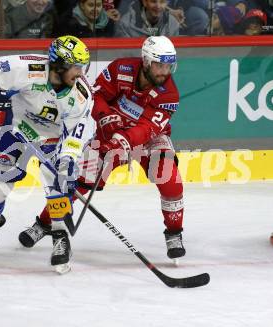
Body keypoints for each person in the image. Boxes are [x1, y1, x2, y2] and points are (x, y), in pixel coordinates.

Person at [20, 36, 188, 261]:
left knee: (169, 177)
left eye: (169, 66)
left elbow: (147, 128)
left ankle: (174, 233)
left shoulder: (169, 93)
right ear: (146, 61)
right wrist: (105, 116)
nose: (164, 72)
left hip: (148, 138)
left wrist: (122, 140)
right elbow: (95, 96)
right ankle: (44, 223)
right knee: (80, 180)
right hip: (109, 133)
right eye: (159, 65)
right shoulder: (121, 68)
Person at [0, 35, 95, 274]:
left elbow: (77, 131)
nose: (81, 74)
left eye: (83, 67)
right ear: (59, 65)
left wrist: (69, 158)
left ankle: (60, 237)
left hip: (54, 140)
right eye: (76, 67)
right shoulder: (27, 67)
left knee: (59, 186)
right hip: (16, 131)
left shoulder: (80, 95)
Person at [115, 0, 180, 37]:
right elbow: (125, 54)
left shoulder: (173, 23)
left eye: (162, 2)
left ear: (166, 3)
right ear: (144, 2)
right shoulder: (125, 24)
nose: (158, 6)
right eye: (153, 1)